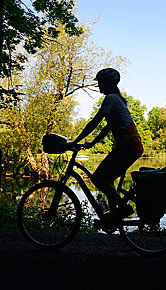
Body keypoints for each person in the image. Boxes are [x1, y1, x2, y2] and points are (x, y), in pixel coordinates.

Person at [71, 68, 143, 218]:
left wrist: (75, 141)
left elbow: (95, 122)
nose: (98, 87)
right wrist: (92, 143)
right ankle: (112, 215)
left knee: (98, 178)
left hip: (127, 147)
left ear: (107, 83)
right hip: (131, 146)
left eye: (100, 83)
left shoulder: (111, 98)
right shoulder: (117, 99)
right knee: (107, 181)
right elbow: (108, 127)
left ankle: (123, 208)